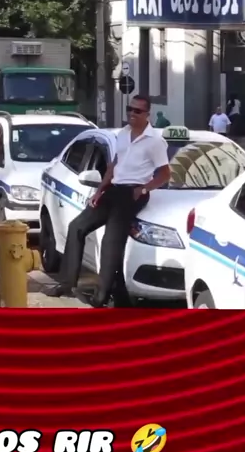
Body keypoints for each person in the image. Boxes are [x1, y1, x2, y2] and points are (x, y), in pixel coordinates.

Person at [48, 95, 171, 308]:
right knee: (77, 227)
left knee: (110, 241)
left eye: (137, 111)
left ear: (147, 114)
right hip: (113, 190)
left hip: (133, 193)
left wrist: (144, 188)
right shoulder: (122, 134)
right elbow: (114, 165)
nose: (132, 114)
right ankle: (67, 283)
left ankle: (101, 296)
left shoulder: (155, 141)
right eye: (129, 109)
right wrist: (99, 191)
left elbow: (165, 174)